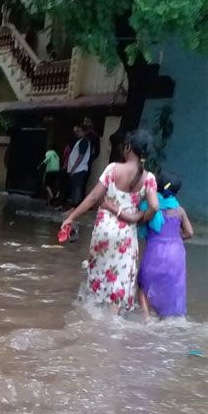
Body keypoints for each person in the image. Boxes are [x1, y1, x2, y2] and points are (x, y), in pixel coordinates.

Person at [59, 129, 159, 314]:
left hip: (104, 230)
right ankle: (112, 321)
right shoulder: (149, 178)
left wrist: (71, 218)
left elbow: (93, 198)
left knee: (100, 272)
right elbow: (154, 206)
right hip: (126, 235)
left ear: (128, 147)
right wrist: (138, 217)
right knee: (119, 277)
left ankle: (94, 313)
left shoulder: (113, 169)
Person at [135, 171, 194, 318]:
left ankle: (147, 318)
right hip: (176, 253)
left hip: (155, 250)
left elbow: (138, 223)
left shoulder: (149, 207)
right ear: (176, 192)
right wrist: (173, 237)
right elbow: (189, 233)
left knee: (143, 284)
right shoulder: (179, 211)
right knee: (171, 287)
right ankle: (167, 319)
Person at [67, 125, 91, 208]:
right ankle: (74, 205)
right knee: (75, 187)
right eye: (76, 132)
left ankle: (75, 206)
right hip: (77, 169)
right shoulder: (80, 141)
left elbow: (80, 156)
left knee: (77, 188)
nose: (77, 133)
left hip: (79, 169)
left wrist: (73, 168)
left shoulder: (84, 141)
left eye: (79, 131)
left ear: (84, 132)